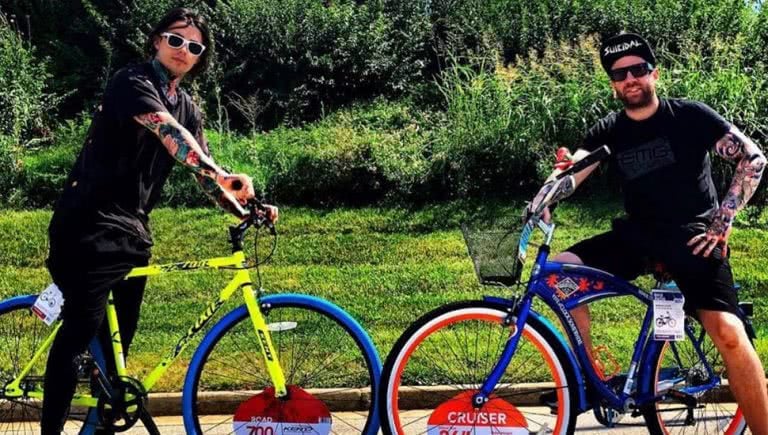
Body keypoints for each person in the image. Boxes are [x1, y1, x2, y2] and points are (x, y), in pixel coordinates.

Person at [40, 8, 277, 433]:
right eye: (175, 40)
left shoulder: (188, 107)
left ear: (200, 58)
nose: (183, 51)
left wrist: (247, 208)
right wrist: (220, 174)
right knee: (78, 332)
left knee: (117, 361)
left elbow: (203, 171)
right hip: (88, 226)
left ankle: (98, 424)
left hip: (131, 233)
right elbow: (168, 133)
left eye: (194, 47)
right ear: (156, 40)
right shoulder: (132, 83)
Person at [526, 32, 768, 431]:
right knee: (559, 274)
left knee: (728, 333)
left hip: (693, 238)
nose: (630, 79)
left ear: (654, 73)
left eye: (638, 70)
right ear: (613, 84)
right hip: (636, 236)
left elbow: (753, 159)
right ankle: (594, 380)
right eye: (620, 74)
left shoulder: (689, 116)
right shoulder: (609, 130)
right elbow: (572, 172)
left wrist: (722, 221)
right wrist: (543, 200)